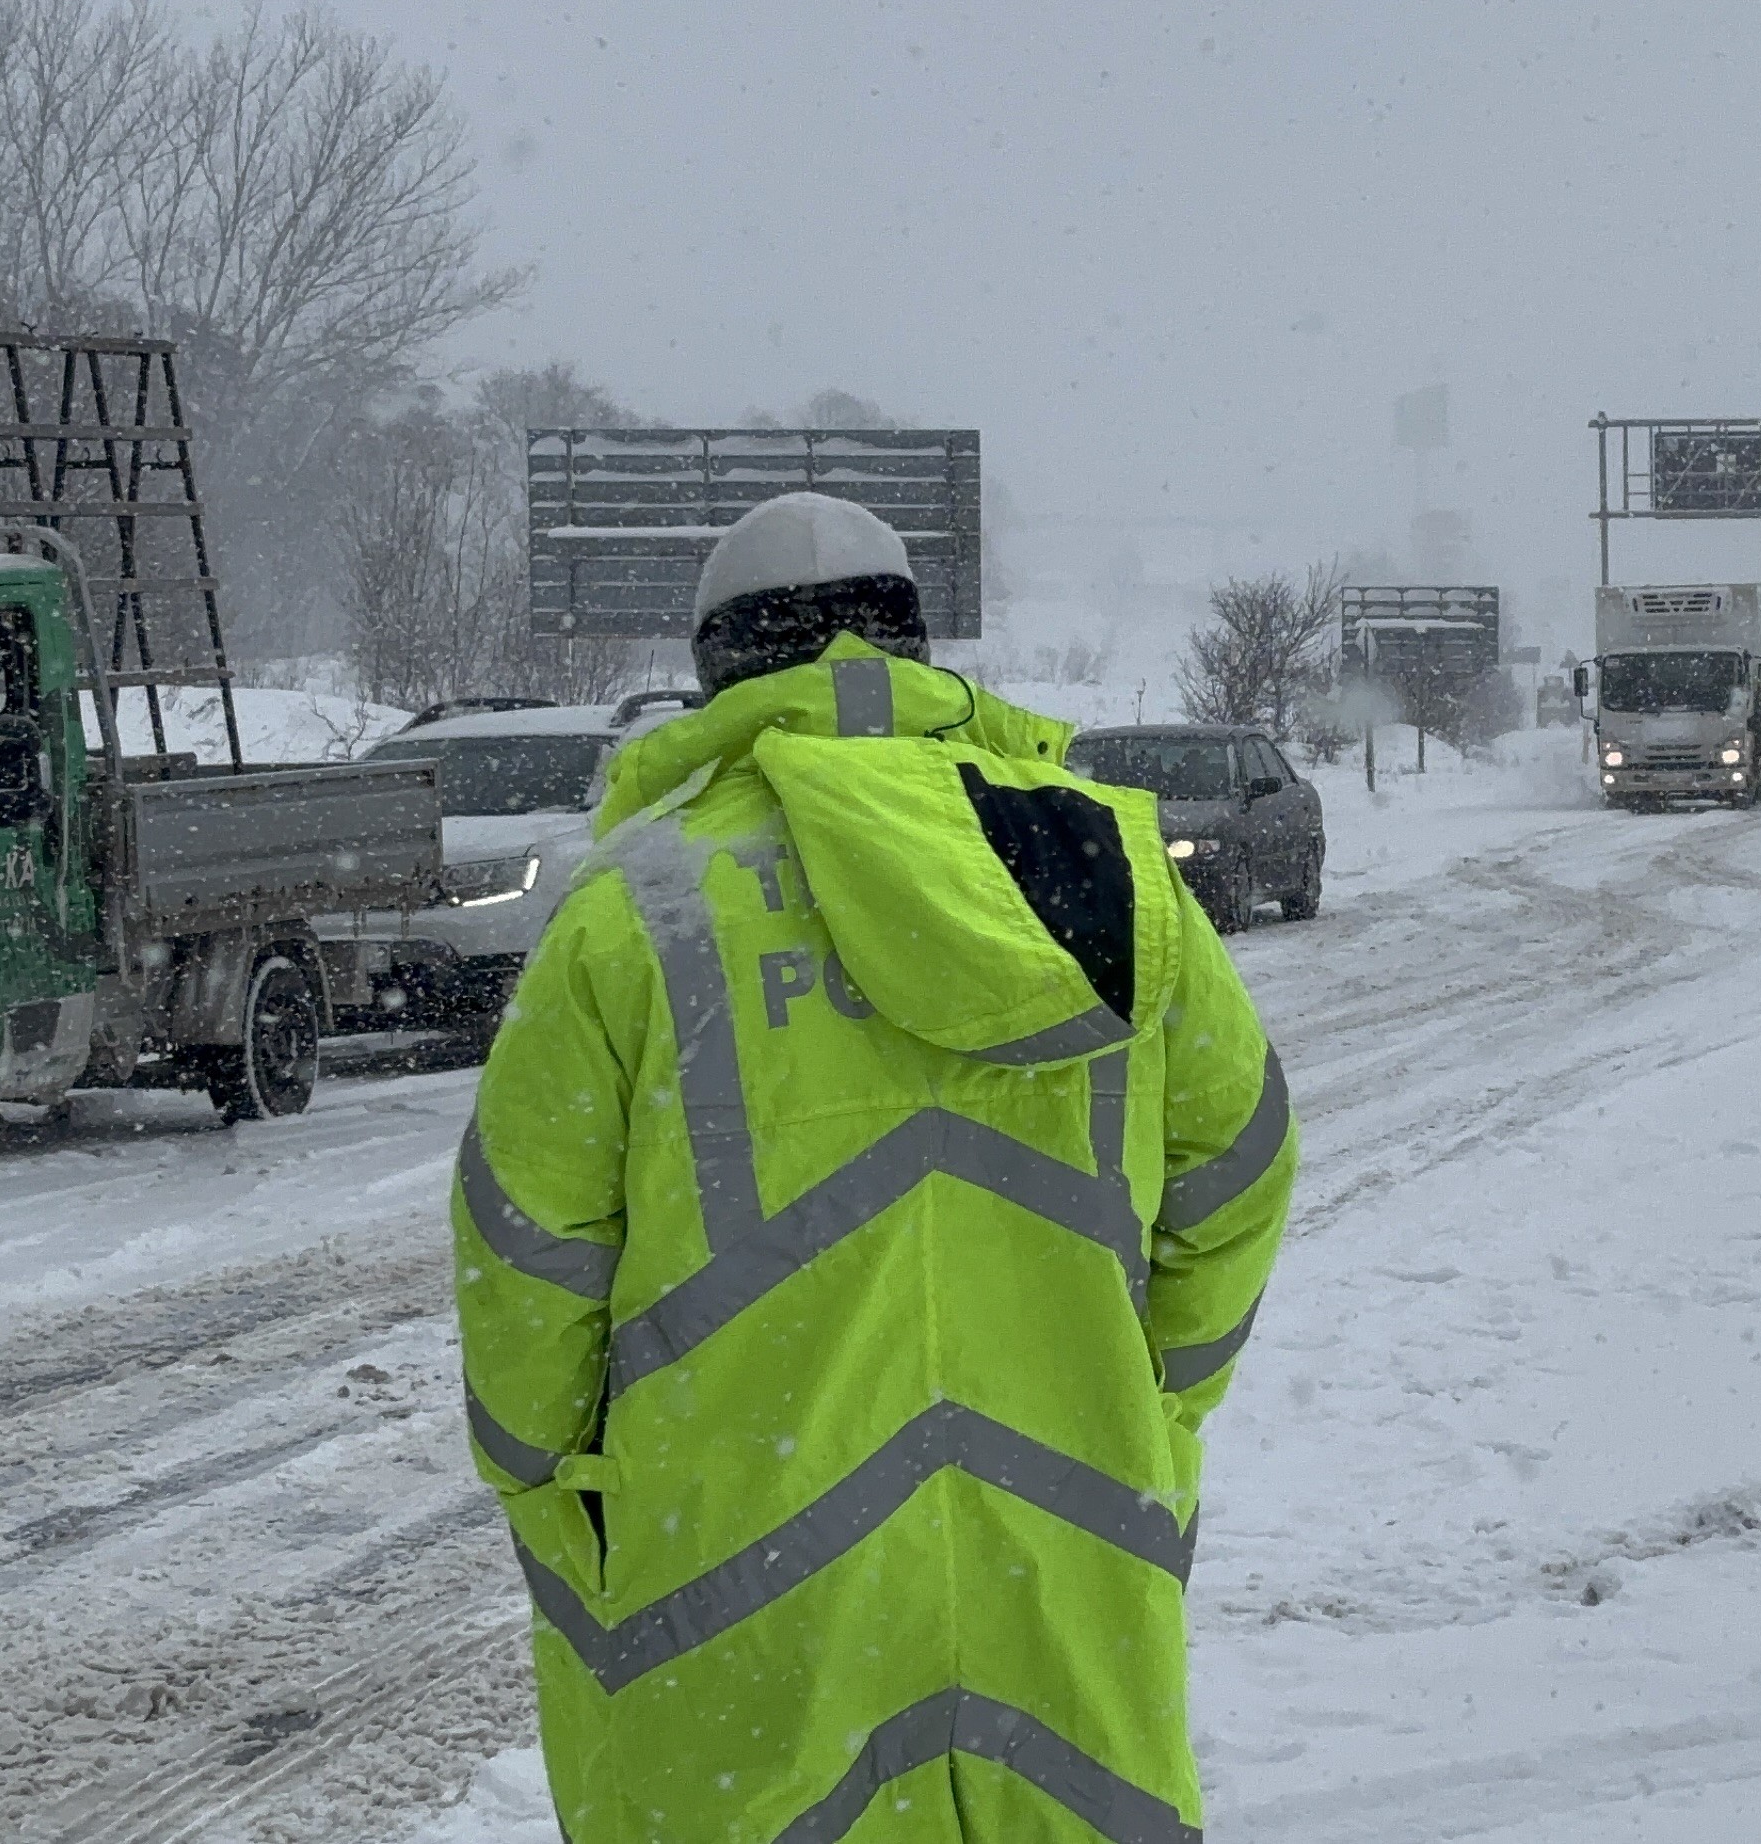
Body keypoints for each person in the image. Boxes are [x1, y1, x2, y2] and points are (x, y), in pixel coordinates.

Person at [453, 491, 1296, 1843]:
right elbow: (1240, 1159)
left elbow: (524, 1250)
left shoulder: (641, 907)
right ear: (912, 647)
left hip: (743, 1575)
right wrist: (1146, 1403)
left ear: (717, 667)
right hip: (1064, 1550)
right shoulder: (1102, 868)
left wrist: (565, 1492)